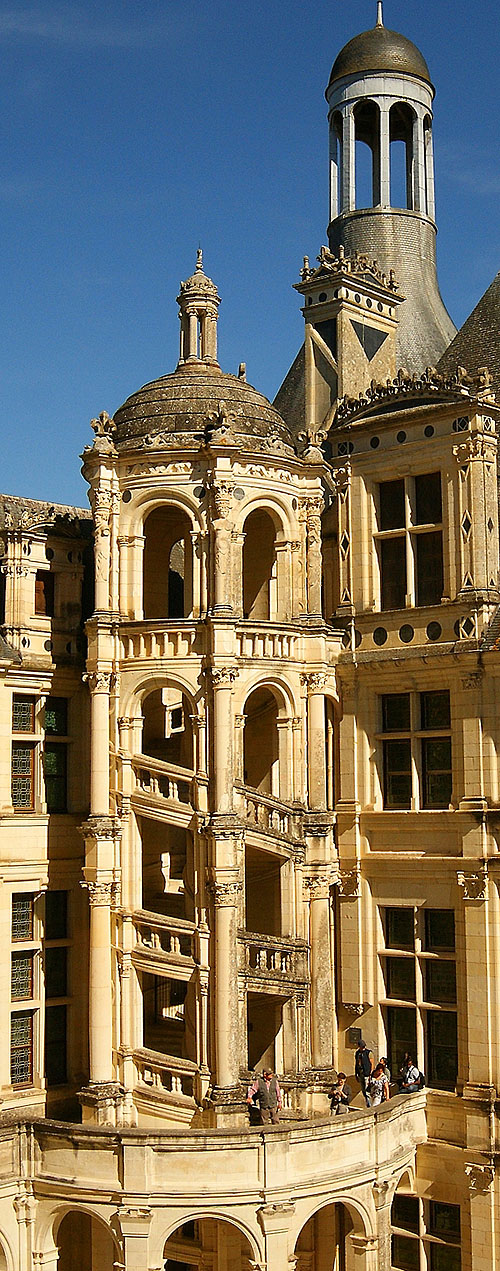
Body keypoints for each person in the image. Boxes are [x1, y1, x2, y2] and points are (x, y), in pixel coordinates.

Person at [354, 1039, 374, 1107]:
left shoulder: (368, 1053)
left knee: (367, 1090)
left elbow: (372, 1063)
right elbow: (356, 1064)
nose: (362, 1048)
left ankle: (370, 1105)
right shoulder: (357, 1053)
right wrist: (356, 1074)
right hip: (360, 1073)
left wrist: (370, 1073)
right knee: (363, 1090)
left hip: (366, 1074)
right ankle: (367, 1103)